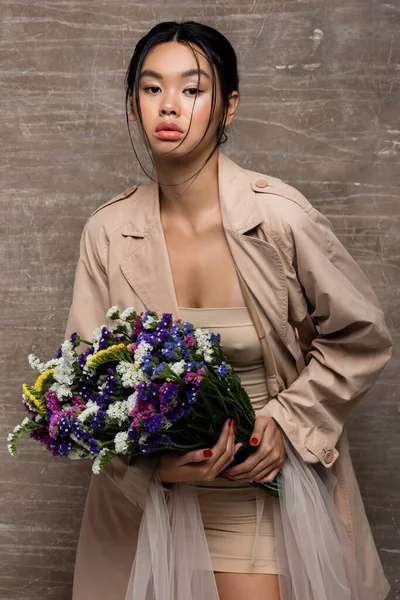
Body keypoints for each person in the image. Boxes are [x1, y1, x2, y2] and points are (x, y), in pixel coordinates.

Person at [64, 20, 393, 600]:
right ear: (134, 103)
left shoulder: (280, 218)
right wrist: (151, 469)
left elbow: (359, 337)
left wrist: (288, 425)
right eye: (151, 88)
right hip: (156, 503)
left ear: (228, 106)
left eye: (192, 89)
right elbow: (86, 385)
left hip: (261, 486)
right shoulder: (107, 231)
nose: (169, 106)